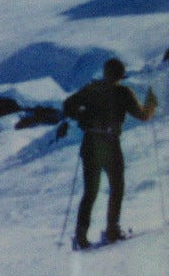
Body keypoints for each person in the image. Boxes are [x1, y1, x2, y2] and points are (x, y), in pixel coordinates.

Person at [63, 58, 158, 249]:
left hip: (90, 143)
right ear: (121, 75)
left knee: (91, 191)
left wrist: (82, 117)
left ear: (105, 72)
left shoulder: (91, 89)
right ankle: (112, 230)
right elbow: (143, 115)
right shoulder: (123, 92)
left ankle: (81, 235)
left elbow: (67, 105)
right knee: (116, 186)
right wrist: (151, 102)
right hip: (110, 144)